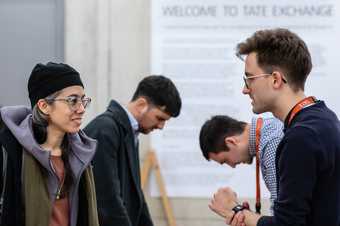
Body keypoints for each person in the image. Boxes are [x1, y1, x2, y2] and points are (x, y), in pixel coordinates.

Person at [209, 28, 340, 226]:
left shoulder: (300, 138)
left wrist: (238, 212)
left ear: (276, 79)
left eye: (249, 78)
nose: (245, 89)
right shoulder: (325, 118)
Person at [0, 62, 99, 226]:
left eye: (83, 100)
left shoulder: (82, 154)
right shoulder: (11, 151)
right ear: (44, 106)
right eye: (72, 100)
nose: (81, 108)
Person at [84, 75, 182, 226]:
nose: (161, 126)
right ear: (142, 104)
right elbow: (107, 200)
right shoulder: (105, 130)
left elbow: (136, 197)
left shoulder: (129, 132)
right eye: (160, 118)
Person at [199, 115, 283, 213]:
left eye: (225, 160)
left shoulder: (270, 144)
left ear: (231, 142)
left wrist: (235, 210)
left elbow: (283, 217)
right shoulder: (268, 130)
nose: (232, 166)